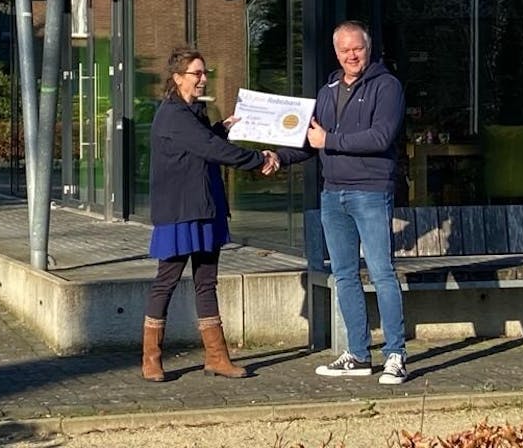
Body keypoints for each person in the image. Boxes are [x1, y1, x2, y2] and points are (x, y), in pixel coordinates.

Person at [269, 21, 408, 384]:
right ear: (336, 52)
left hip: (371, 191)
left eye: (357, 48)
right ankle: (358, 355)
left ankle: (395, 355)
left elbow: (380, 137)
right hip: (333, 194)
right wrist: (278, 157)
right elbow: (310, 141)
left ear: (368, 48)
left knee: (382, 273)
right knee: (344, 275)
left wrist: (329, 140)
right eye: (345, 49)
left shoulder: (387, 86)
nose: (351, 55)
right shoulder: (327, 91)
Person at [141, 48, 274, 382]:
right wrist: (259, 160)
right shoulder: (173, 114)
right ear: (177, 78)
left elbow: (203, 143)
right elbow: (210, 149)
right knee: (166, 281)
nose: (203, 79)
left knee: (206, 282)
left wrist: (221, 128)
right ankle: (151, 359)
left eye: (204, 73)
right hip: (179, 212)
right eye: (196, 73)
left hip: (205, 206)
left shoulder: (193, 112)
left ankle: (217, 357)